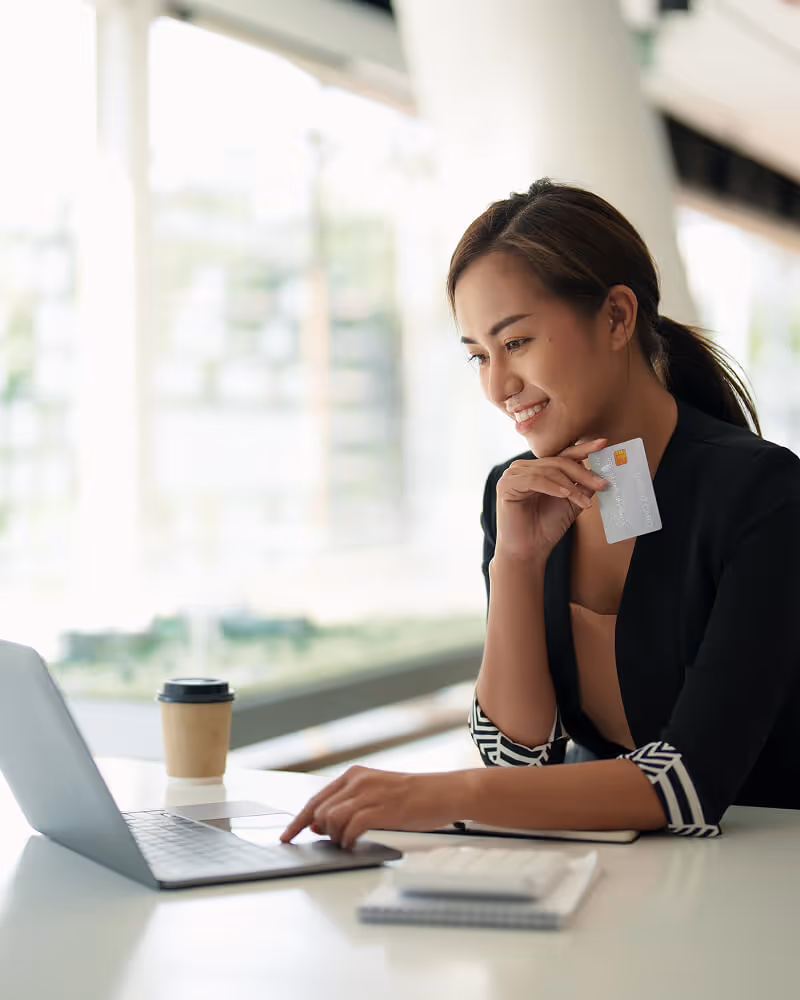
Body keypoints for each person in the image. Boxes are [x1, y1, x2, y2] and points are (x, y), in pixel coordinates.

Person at [282, 179, 800, 849]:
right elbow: (516, 758)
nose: (498, 387)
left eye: (518, 342)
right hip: (624, 882)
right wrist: (519, 561)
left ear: (616, 318)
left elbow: (687, 784)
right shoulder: (519, 495)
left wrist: (430, 793)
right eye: (478, 355)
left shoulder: (764, 495)